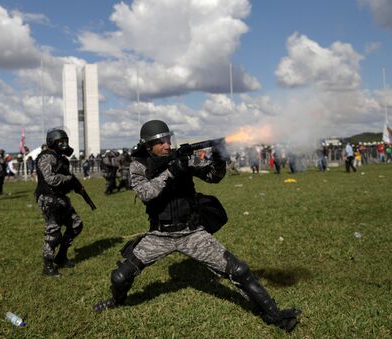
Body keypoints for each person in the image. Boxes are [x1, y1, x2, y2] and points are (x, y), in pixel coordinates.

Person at [92, 120, 300, 332]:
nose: (167, 145)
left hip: (192, 233)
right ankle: (117, 301)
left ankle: (275, 316)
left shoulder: (183, 158)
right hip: (159, 235)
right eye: (161, 142)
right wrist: (172, 171)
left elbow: (213, 177)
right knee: (119, 277)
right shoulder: (139, 165)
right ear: (148, 146)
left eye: (168, 140)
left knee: (239, 270)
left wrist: (219, 160)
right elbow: (146, 193)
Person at [35, 128, 85, 276]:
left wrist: (76, 187)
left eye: (66, 142)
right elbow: (50, 179)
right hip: (49, 199)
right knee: (54, 232)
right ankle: (48, 265)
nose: (64, 145)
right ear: (52, 142)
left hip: (61, 199)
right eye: (61, 142)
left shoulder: (60, 158)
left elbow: (65, 178)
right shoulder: (46, 157)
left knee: (76, 225)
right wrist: (68, 179)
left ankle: (61, 256)